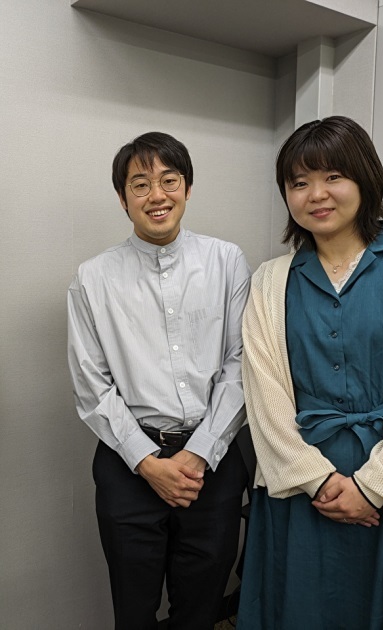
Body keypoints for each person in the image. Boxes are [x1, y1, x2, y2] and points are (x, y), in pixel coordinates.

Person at [236, 116, 383, 629]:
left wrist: (372, 488)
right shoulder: (269, 282)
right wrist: (319, 480)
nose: (316, 194)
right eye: (299, 182)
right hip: (304, 493)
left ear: (366, 179)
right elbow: (264, 395)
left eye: (333, 177)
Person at [67, 131, 251, 630]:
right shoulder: (92, 278)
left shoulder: (227, 261)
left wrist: (199, 453)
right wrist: (148, 464)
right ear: (122, 197)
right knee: (133, 609)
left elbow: (240, 364)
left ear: (187, 188)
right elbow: (91, 385)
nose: (157, 195)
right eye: (140, 184)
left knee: (201, 606)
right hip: (128, 465)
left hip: (213, 464)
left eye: (169, 180)